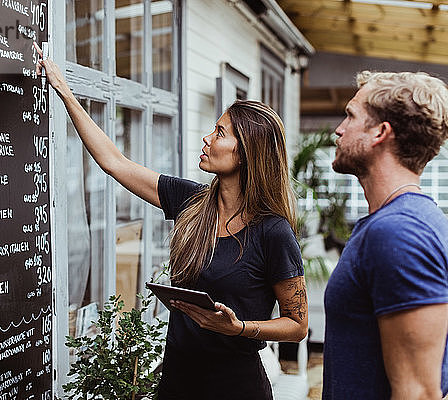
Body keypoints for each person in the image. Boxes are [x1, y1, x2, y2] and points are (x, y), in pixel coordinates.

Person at [34, 43, 308, 399]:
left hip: (235, 387)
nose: (207, 139)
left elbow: (297, 325)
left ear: (246, 154)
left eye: (220, 133)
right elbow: (114, 162)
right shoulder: (191, 201)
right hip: (178, 381)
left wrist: (238, 327)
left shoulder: (273, 232)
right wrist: (62, 88)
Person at [323, 71, 448, 399]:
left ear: (380, 133)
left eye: (350, 116)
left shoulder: (399, 232)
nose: (338, 131)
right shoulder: (394, 221)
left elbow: (418, 393)